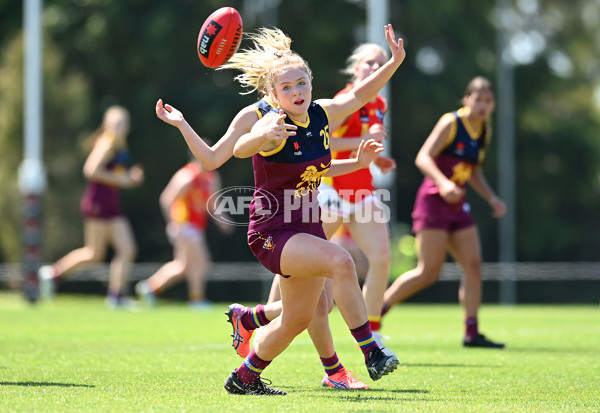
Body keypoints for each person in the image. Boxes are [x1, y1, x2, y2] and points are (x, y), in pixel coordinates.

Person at [156, 24, 405, 395]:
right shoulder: (269, 121)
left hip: (308, 226)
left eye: (301, 83)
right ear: (272, 92)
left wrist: (395, 63)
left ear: (310, 82)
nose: (296, 91)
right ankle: (371, 351)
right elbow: (230, 153)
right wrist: (184, 125)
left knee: (297, 319)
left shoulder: (318, 115)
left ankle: (243, 377)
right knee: (342, 262)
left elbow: (356, 97)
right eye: (286, 87)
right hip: (274, 231)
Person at [240, 43, 399, 360]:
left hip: (358, 189)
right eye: (370, 63)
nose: (374, 68)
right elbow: (325, 141)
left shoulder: (378, 102)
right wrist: (358, 146)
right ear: (356, 69)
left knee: (379, 259)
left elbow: (362, 133)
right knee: (313, 281)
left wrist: (372, 158)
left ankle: (372, 332)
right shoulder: (326, 106)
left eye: (380, 63)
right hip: (325, 190)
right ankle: (263, 321)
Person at [380, 76, 507, 348]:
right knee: (428, 272)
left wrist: (492, 198)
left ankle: (472, 332)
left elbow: (472, 172)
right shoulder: (451, 122)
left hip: (458, 205)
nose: (483, 105)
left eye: (488, 100)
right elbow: (423, 157)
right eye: (478, 99)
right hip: (433, 202)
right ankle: (378, 309)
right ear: (467, 99)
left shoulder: (484, 130)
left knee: (473, 266)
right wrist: (444, 182)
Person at [38, 105, 144, 309]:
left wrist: (128, 179)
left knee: (125, 249)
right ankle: (52, 275)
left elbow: (115, 176)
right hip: (98, 204)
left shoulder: (119, 146)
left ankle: (116, 297)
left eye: (124, 123)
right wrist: (123, 180)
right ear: (107, 125)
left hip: (111, 205)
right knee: (94, 254)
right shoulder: (107, 143)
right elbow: (90, 170)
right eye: (117, 123)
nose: (121, 127)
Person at [135, 157, 232, 310]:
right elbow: (167, 199)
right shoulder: (186, 177)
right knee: (201, 261)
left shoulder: (211, 178)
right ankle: (197, 300)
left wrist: (223, 222)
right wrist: (173, 224)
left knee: (182, 266)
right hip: (184, 225)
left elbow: (213, 204)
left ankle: (150, 288)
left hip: (197, 227)